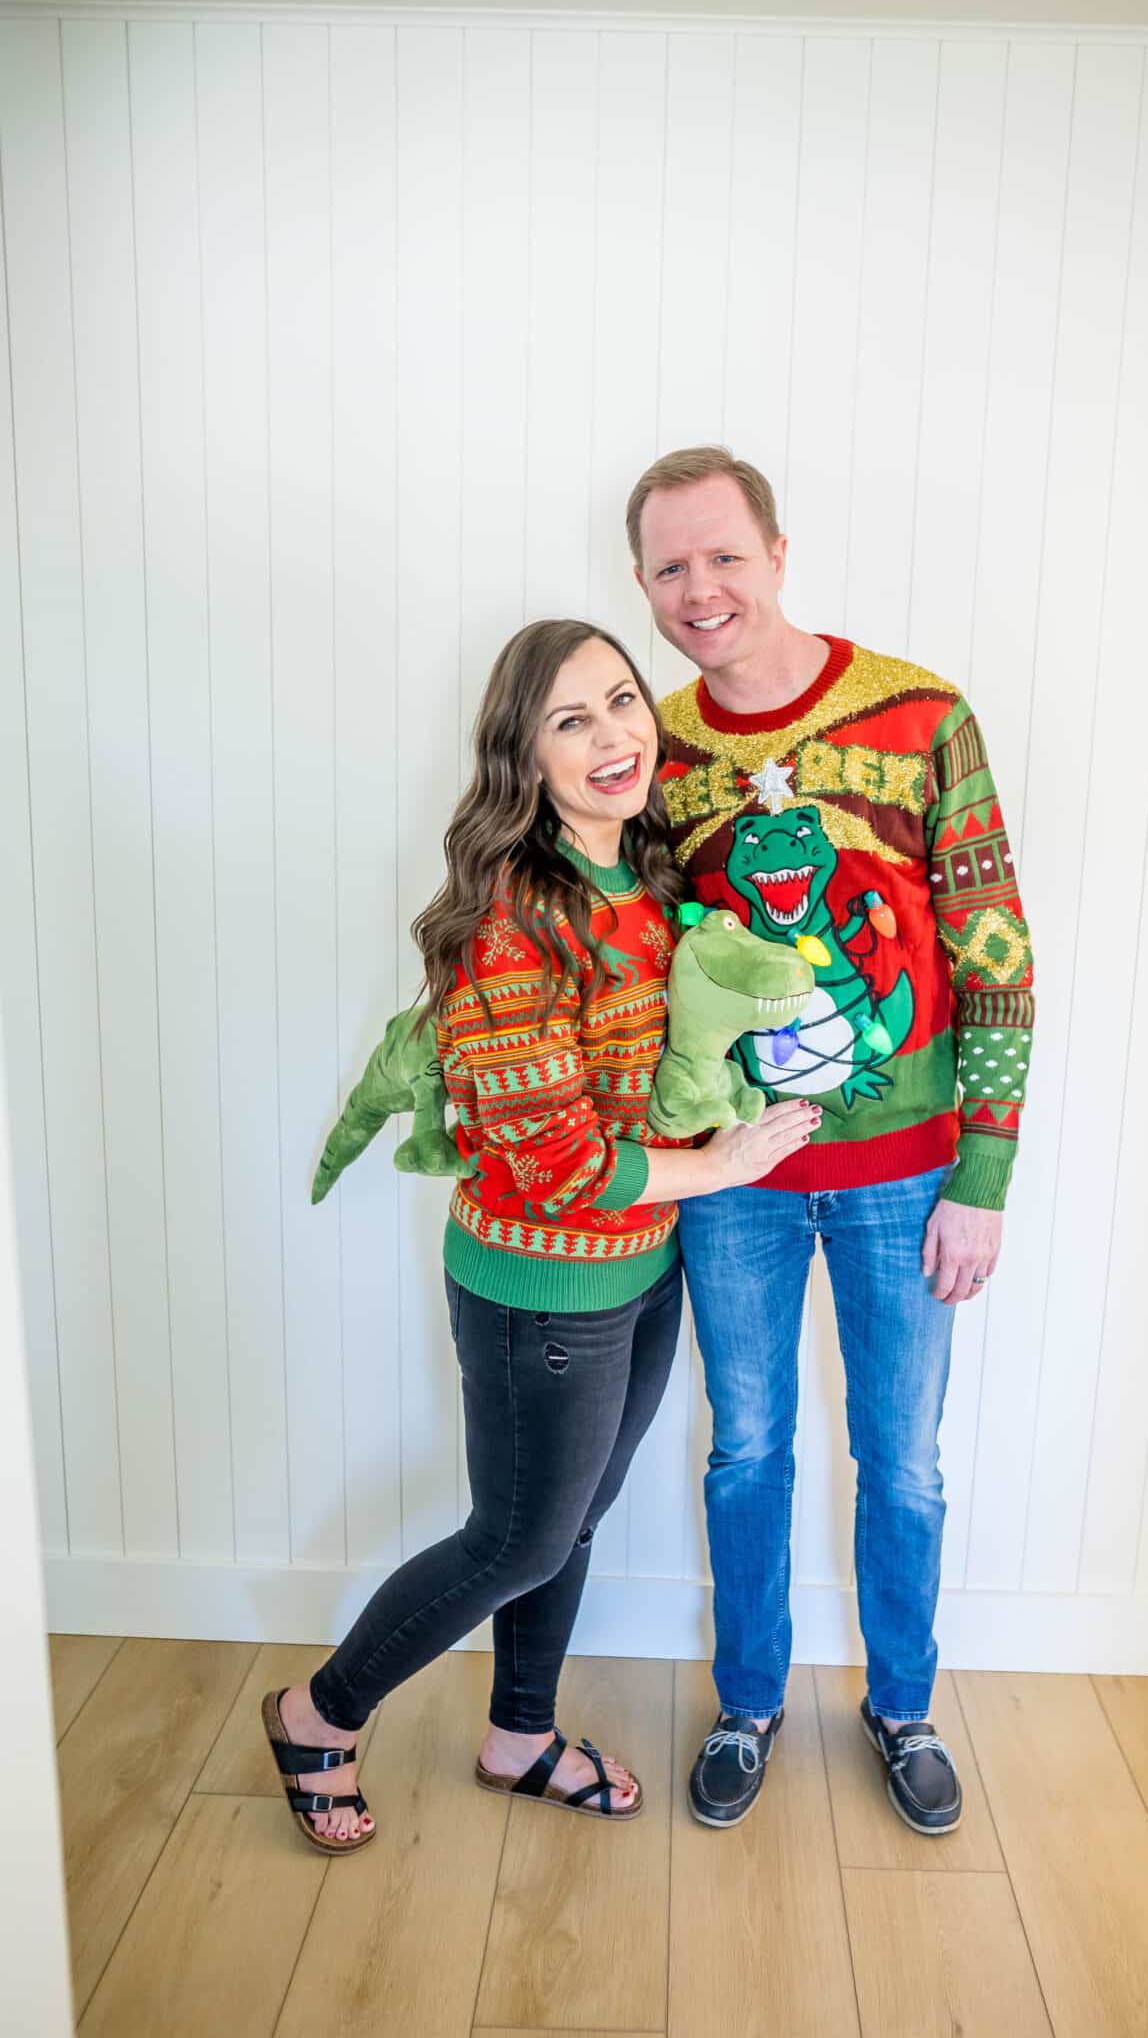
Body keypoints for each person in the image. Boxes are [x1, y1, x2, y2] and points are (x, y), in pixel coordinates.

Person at [262, 617, 818, 1852]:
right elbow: (548, 1155)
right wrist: (717, 1163)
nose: (614, 734)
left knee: (565, 1525)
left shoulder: (652, 877)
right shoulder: (517, 910)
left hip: (644, 1264)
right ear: (525, 753)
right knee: (513, 1537)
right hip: (540, 1290)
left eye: (623, 700)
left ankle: (519, 1734)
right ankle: (318, 1711)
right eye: (573, 719)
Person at [627, 447, 1036, 1834]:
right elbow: (641, 968)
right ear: (640, 583)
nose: (699, 588)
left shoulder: (921, 716)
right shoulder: (657, 750)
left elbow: (995, 954)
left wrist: (980, 1176)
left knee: (902, 1459)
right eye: (670, 566)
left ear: (779, 553)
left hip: (906, 1174)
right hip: (732, 1184)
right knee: (746, 1450)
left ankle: (903, 1704)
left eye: (723, 555)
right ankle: (748, 1702)